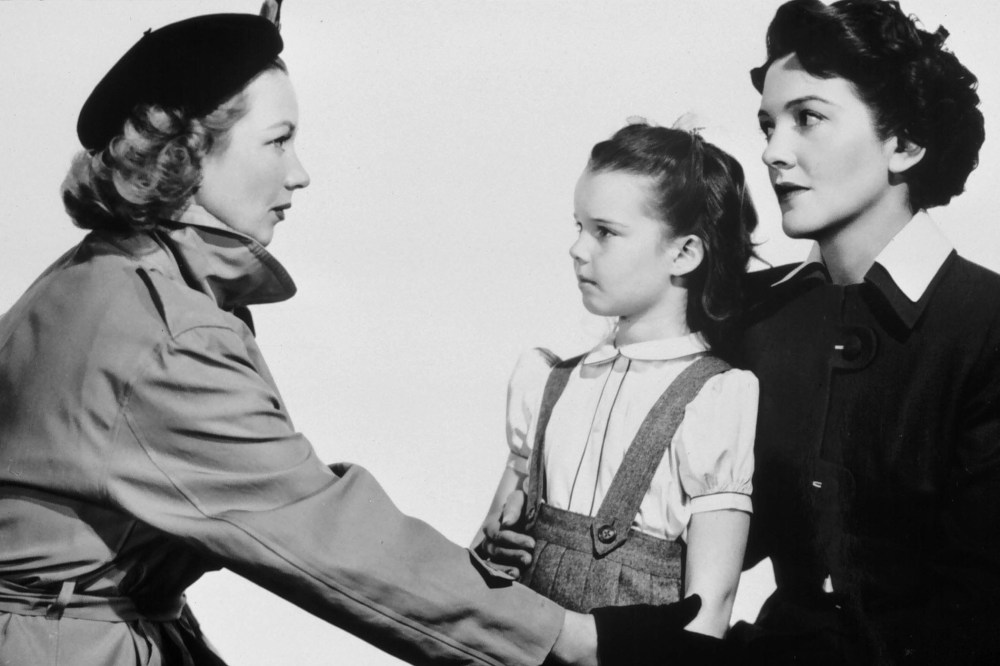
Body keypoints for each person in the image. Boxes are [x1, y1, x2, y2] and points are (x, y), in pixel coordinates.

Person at [0, 11, 601, 666]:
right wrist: (574, 641)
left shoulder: (98, 276)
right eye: (278, 141)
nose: (300, 173)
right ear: (187, 156)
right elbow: (326, 535)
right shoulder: (167, 336)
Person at [731, 0, 998, 663]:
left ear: (904, 144)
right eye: (768, 125)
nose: (771, 152)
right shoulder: (755, 316)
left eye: (808, 118)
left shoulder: (988, 326)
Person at [475, 121, 760, 665]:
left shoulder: (714, 399)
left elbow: (710, 609)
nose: (577, 248)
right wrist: (493, 546)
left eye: (604, 232)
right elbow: (486, 549)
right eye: (579, 226)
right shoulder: (548, 383)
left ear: (684, 253)